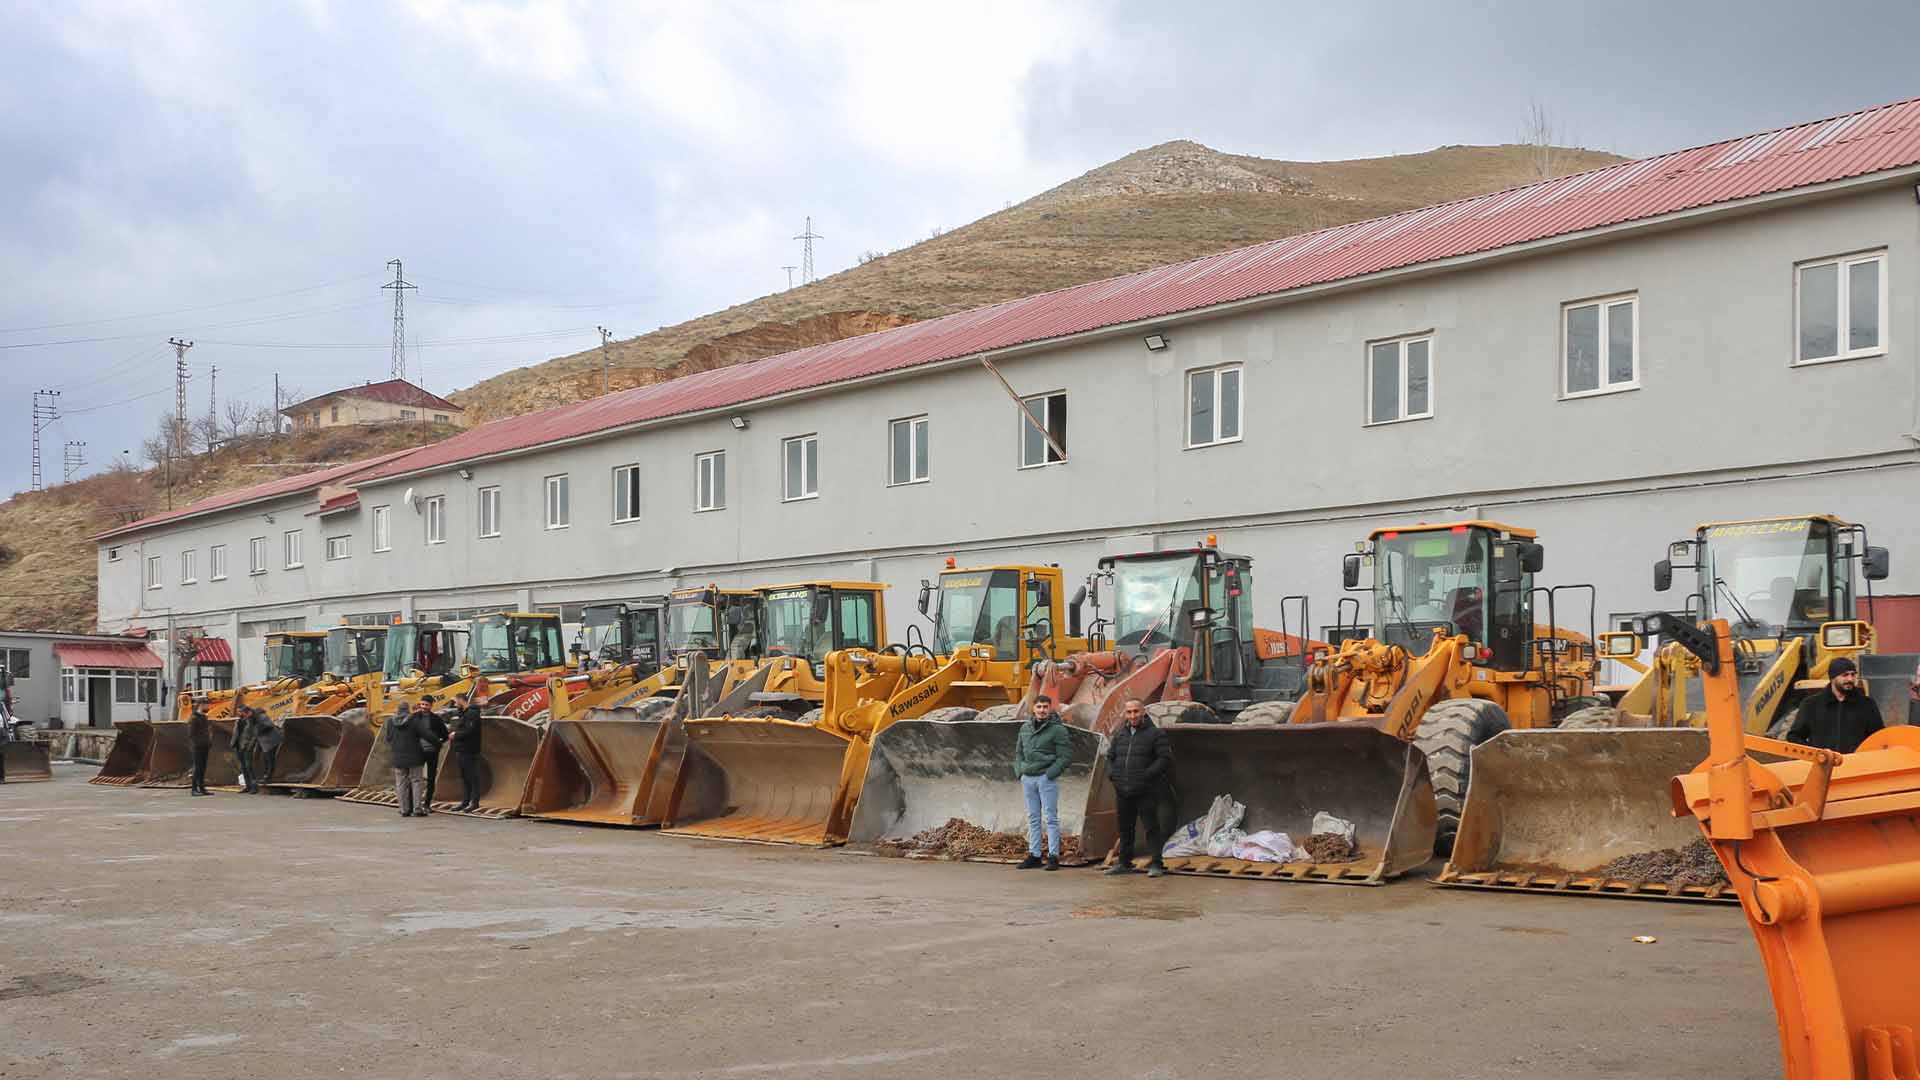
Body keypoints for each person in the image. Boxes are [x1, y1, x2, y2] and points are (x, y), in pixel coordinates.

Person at [1104, 698, 1172, 878]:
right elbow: (1110, 757)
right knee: (1125, 828)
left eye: (1136, 711)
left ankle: (1157, 863)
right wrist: (1112, 775)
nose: (1132, 715)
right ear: (1125, 714)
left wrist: (1147, 775)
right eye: (1129, 712)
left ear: (1143, 712)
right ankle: (1124, 862)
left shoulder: (1156, 734)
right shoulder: (1120, 734)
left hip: (1145, 790)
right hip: (1123, 790)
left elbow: (1164, 759)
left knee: (1151, 828)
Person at [1013, 695, 1074, 870]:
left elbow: (1065, 756)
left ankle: (1053, 856)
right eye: (1039, 706)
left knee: (1051, 818)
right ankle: (1035, 855)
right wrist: (1020, 772)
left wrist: (1050, 774)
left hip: (1046, 779)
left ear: (1050, 709)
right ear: (1033, 709)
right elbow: (1018, 753)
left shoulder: (1057, 730)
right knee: (1033, 817)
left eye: (1045, 707)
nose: (1042, 710)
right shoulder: (1025, 728)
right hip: (1028, 778)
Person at [1787, 657, 1884, 754]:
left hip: (1856, 765)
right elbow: (1795, 737)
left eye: (1853, 675)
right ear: (1832, 678)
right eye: (1845, 675)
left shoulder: (1867, 704)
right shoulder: (1811, 704)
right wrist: (1816, 755)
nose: (1850, 679)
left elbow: (1878, 737)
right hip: (1824, 766)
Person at [388, 699, 439, 818]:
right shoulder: (414, 721)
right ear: (408, 709)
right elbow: (427, 735)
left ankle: (404, 809)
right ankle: (417, 809)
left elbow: (389, 738)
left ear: (398, 709)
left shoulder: (391, 721)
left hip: (398, 757)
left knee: (401, 783)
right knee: (416, 782)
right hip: (415, 756)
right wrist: (438, 743)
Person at [448, 685, 488, 813]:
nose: (454, 705)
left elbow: (469, 730)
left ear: (461, 700)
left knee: (472, 776)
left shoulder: (472, 713)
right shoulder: (464, 713)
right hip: (461, 749)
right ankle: (465, 801)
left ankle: (474, 802)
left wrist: (456, 735)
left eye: (455, 702)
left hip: (469, 750)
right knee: (464, 777)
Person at [421, 697, 450, 807]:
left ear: (431, 706)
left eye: (426, 705)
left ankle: (427, 804)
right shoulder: (415, 718)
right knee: (415, 778)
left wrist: (438, 743)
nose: (423, 707)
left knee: (431, 778)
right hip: (418, 752)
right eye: (422, 704)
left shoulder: (436, 719)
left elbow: (445, 735)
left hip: (432, 752)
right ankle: (414, 803)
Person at [251, 708, 283, 790]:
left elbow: (269, 725)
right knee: (266, 758)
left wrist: (258, 730)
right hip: (264, 741)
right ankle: (266, 776)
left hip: (271, 741)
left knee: (269, 758)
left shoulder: (262, 717)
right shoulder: (252, 718)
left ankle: (268, 777)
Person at [233, 706, 260, 792]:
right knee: (243, 767)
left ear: (245, 712)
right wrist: (233, 743)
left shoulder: (252, 721)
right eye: (238, 712)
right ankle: (248, 786)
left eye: (240, 712)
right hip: (238, 746)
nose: (239, 713)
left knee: (249, 766)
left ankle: (254, 786)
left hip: (246, 747)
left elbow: (255, 735)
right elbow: (236, 733)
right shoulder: (238, 721)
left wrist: (250, 746)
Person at [187, 707, 213, 796]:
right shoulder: (194, 718)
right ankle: (194, 789)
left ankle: (202, 788)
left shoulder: (204, 717)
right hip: (197, 747)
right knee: (197, 768)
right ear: (201, 706)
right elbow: (191, 734)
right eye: (206, 704)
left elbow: (206, 732)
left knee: (203, 768)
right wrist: (198, 743)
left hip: (205, 746)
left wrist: (208, 742)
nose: (208, 706)